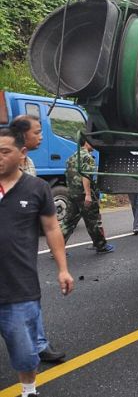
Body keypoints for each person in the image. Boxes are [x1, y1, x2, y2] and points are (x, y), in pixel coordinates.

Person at [0, 125, 74, 397]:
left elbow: (53, 229)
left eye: (4, 152)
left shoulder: (37, 188)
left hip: (19, 288)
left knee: (24, 350)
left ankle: (29, 390)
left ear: (21, 154)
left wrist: (63, 269)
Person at [11, 116, 67, 363]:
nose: (42, 136)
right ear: (23, 136)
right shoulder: (7, 166)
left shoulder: (29, 163)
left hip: (22, 250)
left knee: (27, 299)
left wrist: (62, 268)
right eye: (37, 132)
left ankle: (38, 344)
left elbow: (51, 225)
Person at [61, 139, 114, 254]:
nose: (95, 145)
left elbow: (67, 175)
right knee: (92, 222)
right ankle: (101, 246)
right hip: (84, 194)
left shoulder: (72, 157)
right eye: (92, 142)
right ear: (85, 142)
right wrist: (88, 195)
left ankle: (57, 248)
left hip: (72, 194)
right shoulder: (88, 157)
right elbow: (86, 176)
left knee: (68, 222)